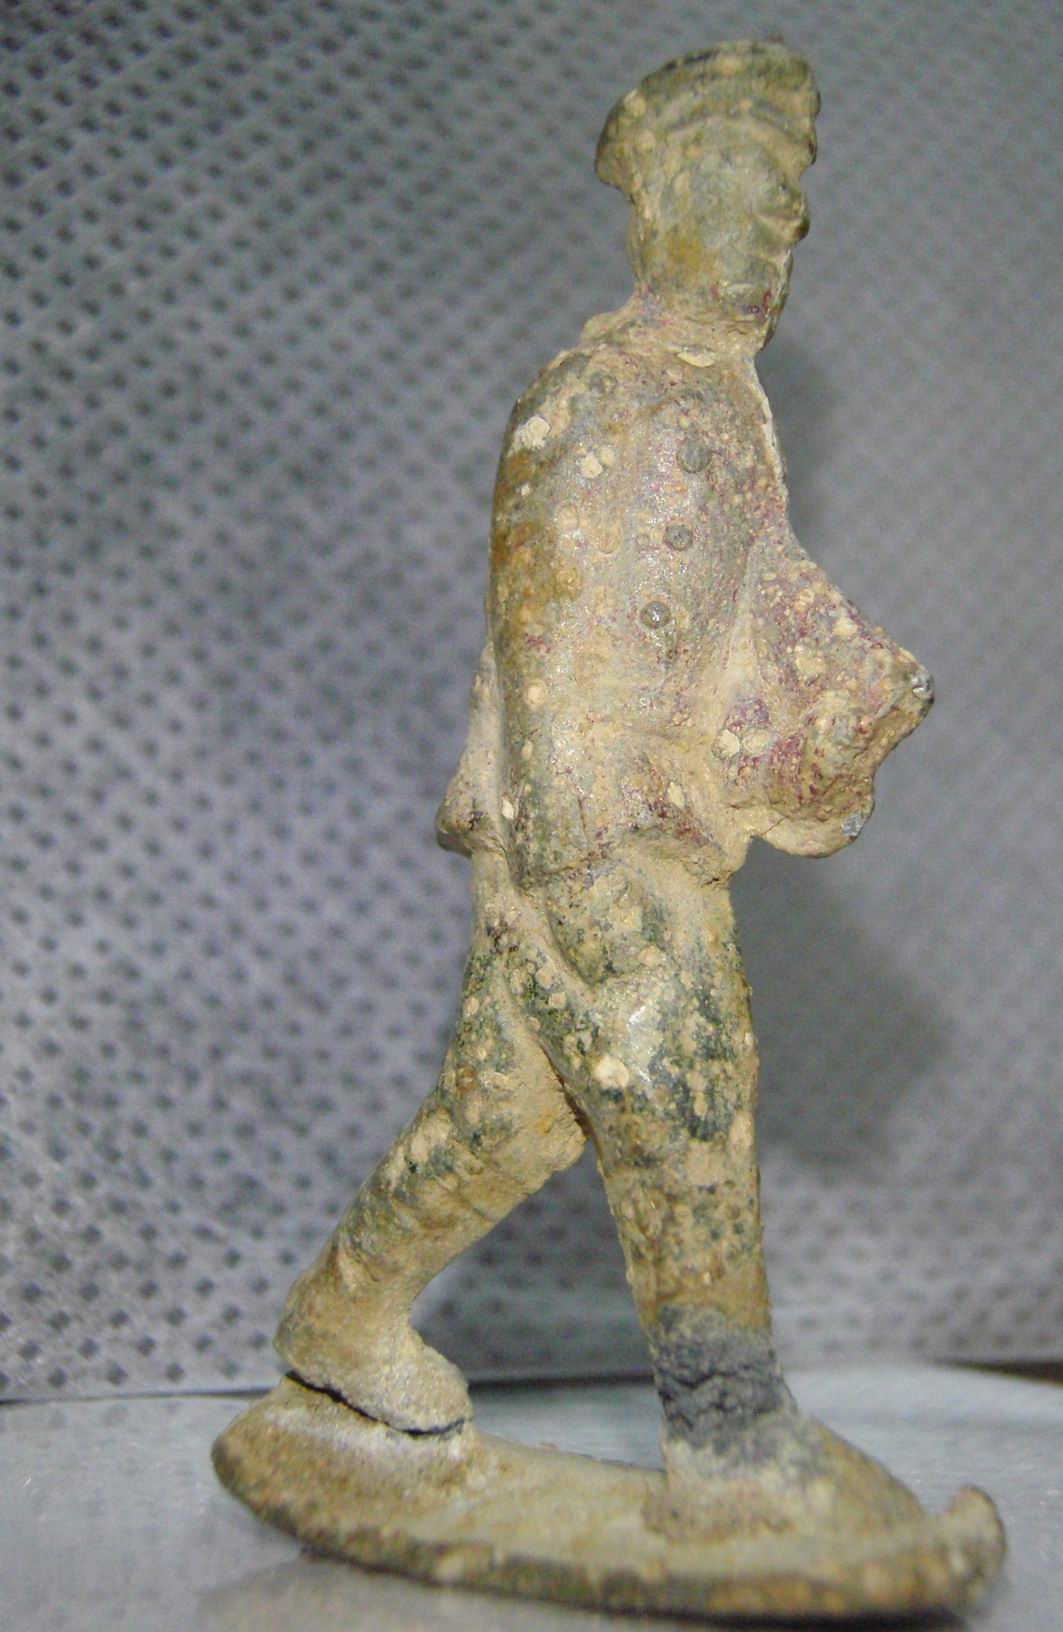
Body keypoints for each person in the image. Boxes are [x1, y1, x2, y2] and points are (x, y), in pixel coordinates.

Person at [274, 40, 932, 1533]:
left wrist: (839, 690)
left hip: (630, 825)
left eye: (790, 207)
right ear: (667, 201)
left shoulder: (720, 403)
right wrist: (575, 848)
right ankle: (732, 1449)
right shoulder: (597, 394)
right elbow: (540, 626)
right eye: (748, 190)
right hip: (598, 832)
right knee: (686, 1088)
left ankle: (338, 1318)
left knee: (506, 1120)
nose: (777, 228)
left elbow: (744, 603)